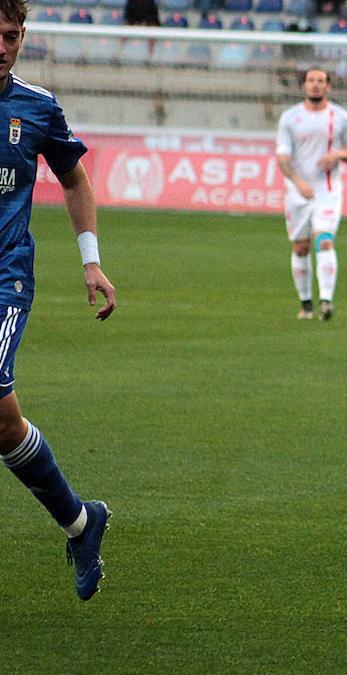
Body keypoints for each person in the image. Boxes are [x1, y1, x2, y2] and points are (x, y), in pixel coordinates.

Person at [0, 0, 117, 600]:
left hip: (5, 276)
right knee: (2, 422)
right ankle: (80, 521)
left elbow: (74, 176)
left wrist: (91, 260)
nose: (2, 45)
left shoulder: (37, 107)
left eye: (12, 35)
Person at [275, 69, 347, 321]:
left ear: (328, 87)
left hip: (327, 191)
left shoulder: (341, 117)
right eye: (311, 81)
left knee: (324, 240)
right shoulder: (290, 117)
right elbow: (282, 157)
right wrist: (298, 182)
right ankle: (306, 304)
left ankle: (326, 301)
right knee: (300, 247)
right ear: (304, 86)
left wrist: (338, 155)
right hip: (297, 191)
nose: (315, 85)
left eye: (320, 81)